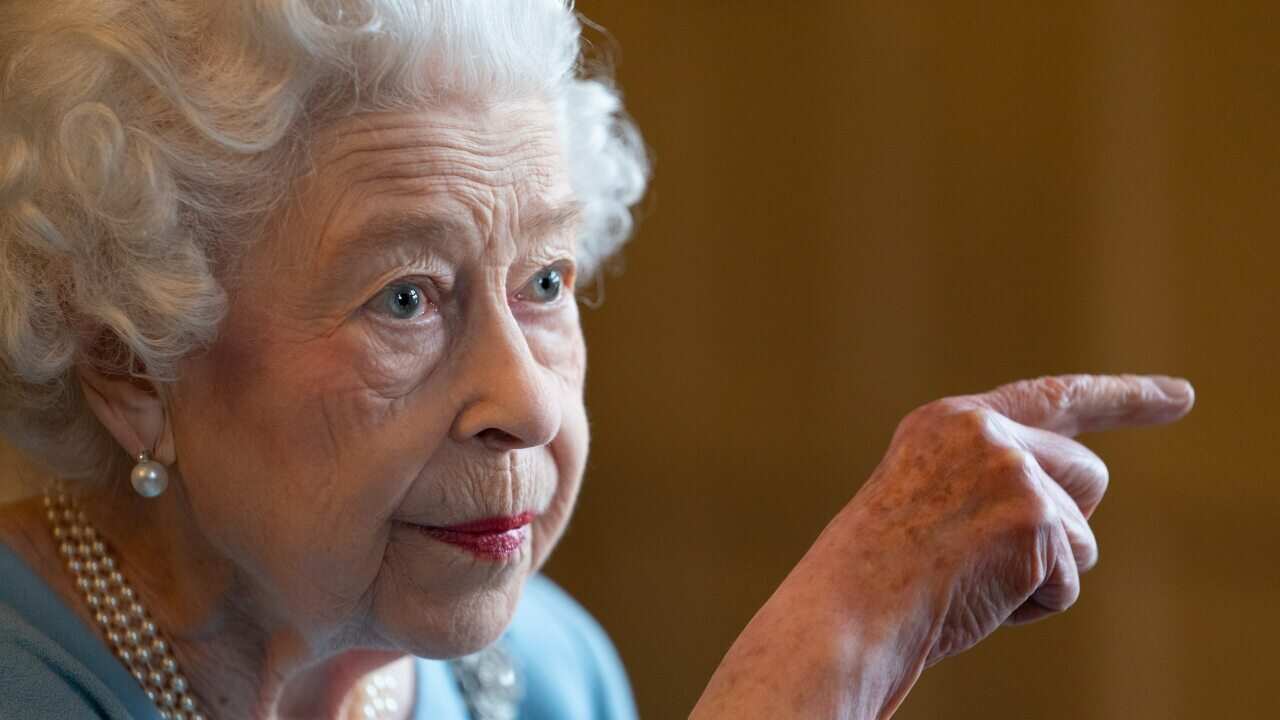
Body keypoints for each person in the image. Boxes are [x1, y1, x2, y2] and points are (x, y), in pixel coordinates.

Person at [0, 1, 1194, 718]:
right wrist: (820, 659)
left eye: (546, 283)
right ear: (131, 366)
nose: (523, 400)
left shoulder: (549, 669)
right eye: (405, 297)